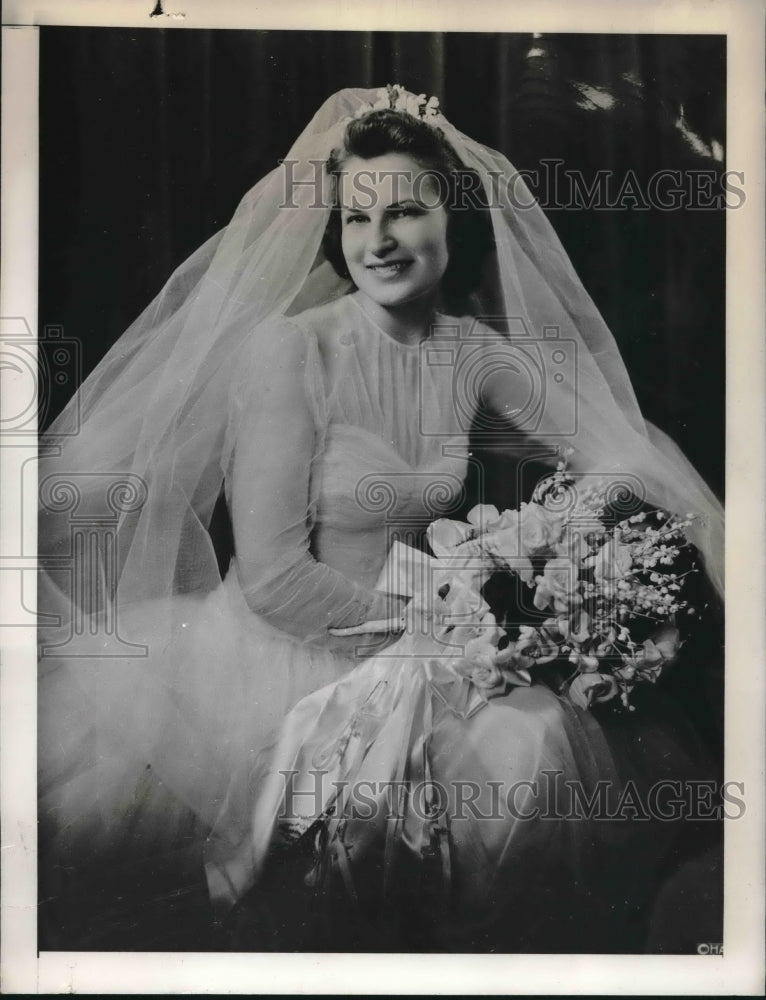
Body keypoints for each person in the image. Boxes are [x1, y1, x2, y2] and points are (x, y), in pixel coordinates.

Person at [37, 86, 724, 952]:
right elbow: (278, 576)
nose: (380, 241)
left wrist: (571, 548)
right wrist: (449, 631)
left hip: (440, 644)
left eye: (406, 210)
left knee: (529, 757)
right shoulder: (293, 349)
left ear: (454, 218)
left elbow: (619, 452)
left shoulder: (471, 351)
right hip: (293, 658)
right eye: (358, 219)